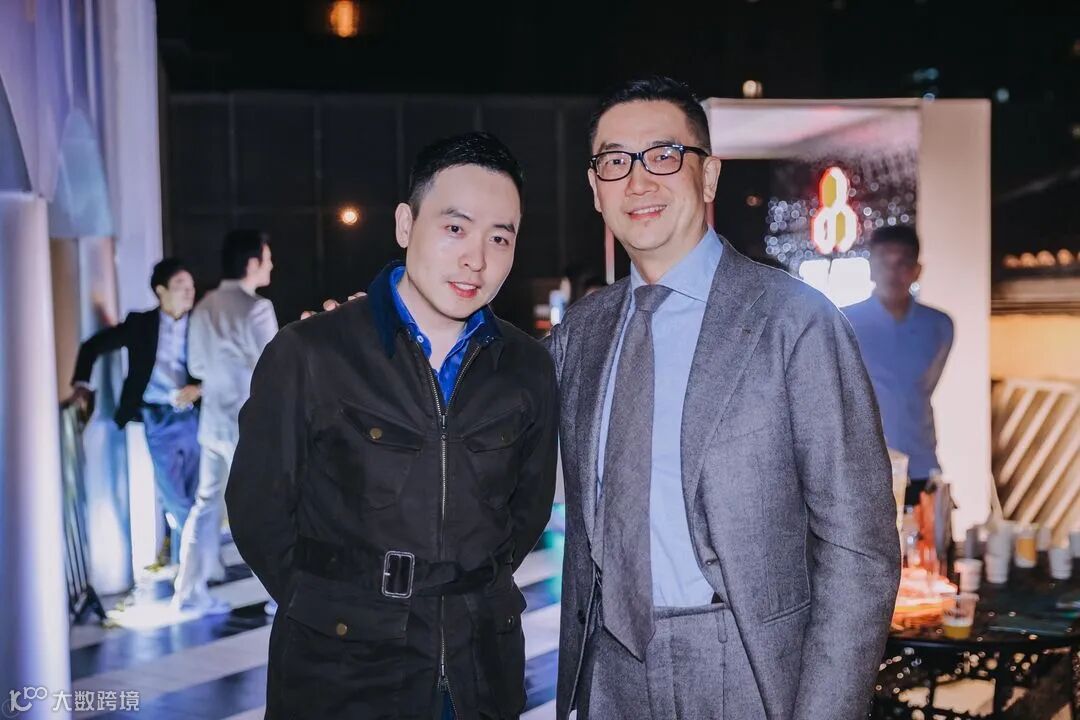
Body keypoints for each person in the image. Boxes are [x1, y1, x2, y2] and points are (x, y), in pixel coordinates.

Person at [547, 77, 900, 720]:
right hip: (608, 668)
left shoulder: (794, 320)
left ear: (707, 176)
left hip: (746, 665)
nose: (638, 180)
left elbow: (859, 549)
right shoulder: (581, 335)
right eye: (614, 161)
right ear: (595, 189)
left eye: (663, 156)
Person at [226, 132, 558, 719]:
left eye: (499, 238)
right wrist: (331, 606)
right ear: (407, 224)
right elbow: (258, 513)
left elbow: (526, 512)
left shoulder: (526, 368)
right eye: (455, 228)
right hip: (343, 674)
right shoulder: (312, 353)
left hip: (480, 671)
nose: (476, 259)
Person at [171, 230, 278, 615]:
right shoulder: (257, 308)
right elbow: (274, 366)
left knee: (206, 504)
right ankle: (278, 596)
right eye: (267, 257)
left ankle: (188, 591)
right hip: (247, 422)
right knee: (267, 508)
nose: (271, 265)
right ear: (252, 263)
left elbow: (197, 367)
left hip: (213, 420)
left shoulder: (204, 306)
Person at [69, 257, 201, 565]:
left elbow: (220, 364)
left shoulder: (200, 324)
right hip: (157, 416)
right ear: (161, 290)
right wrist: (81, 384)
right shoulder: (141, 324)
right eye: (180, 285)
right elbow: (93, 346)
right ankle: (198, 558)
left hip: (194, 415)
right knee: (174, 496)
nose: (189, 291)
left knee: (192, 493)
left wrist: (199, 388)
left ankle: (185, 566)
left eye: (191, 285)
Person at [843, 225, 954, 506]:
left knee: (926, 535)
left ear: (917, 270)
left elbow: (923, 387)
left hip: (920, 464)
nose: (892, 273)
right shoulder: (845, 322)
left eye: (902, 263)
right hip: (860, 471)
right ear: (871, 267)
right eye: (884, 261)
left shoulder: (939, 325)